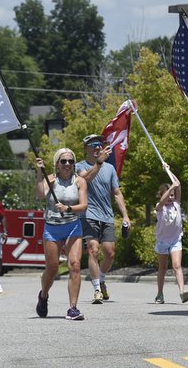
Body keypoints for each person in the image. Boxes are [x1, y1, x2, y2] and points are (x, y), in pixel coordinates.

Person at [34, 148, 88, 320]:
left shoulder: (79, 181)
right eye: (63, 161)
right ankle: (43, 295)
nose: (67, 164)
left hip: (72, 226)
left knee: (75, 265)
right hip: (52, 227)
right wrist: (38, 172)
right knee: (53, 267)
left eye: (70, 161)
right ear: (56, 164)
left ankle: (73, 308)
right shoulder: (50, 180)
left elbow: (84, 206)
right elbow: (40, 194)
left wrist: (68, 208)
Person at [76, 134, 130, 304]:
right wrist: (99, 163)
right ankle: (97, 290)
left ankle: (102, 278)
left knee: (110, 253)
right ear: (86, 149)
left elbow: (117, 193)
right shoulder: (79, 166)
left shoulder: (110, 169)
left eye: (99, 144)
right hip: (88, 214)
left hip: (106, 215)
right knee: (93, 250)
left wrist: (125, 216)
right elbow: (85, 179)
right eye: (93, 144)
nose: (97, 147)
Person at [154, 164, 188, 304]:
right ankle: (160, 293)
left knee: (177, 265)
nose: (170, 197)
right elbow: (163, 200)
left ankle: (182, 292)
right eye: (168, 195)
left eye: (172, 195)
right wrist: (170, 188)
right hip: (162, 241)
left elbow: (178, 185)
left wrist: (168, 170)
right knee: (162, 267)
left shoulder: (176, 204)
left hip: (175, 240)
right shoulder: (159, 207)